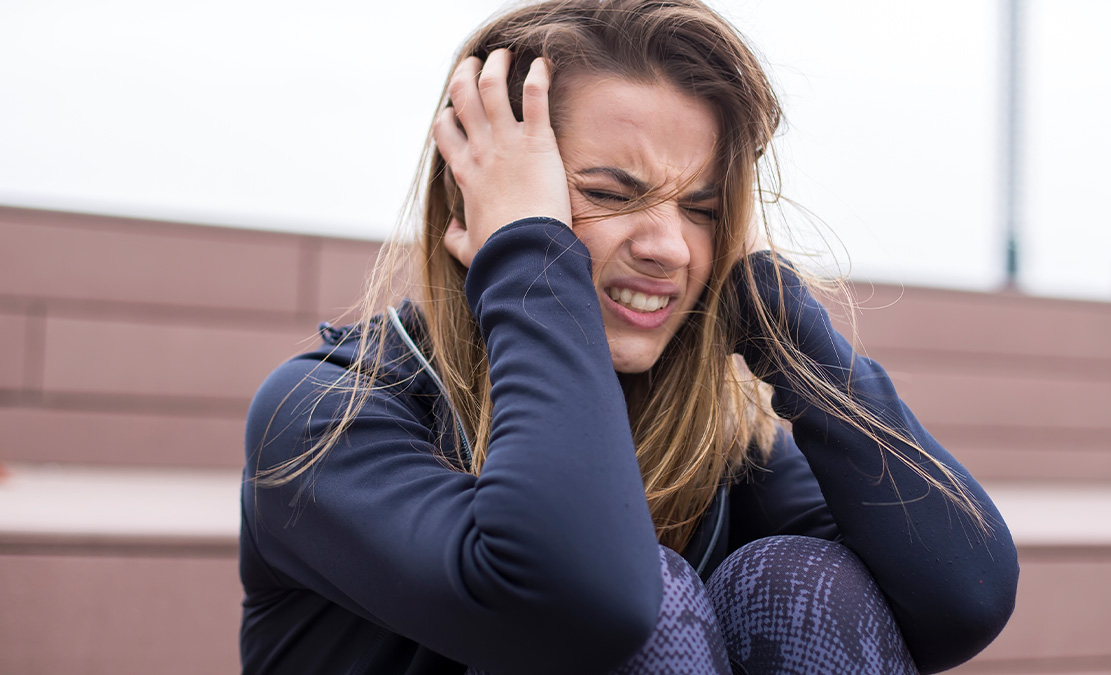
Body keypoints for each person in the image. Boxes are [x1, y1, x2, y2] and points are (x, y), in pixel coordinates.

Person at [238, 1, 1019, 673]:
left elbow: (962, 598)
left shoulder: (719, 443)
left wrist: (777, 318)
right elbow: (585, 598)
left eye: (703, 210)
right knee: (647, 604)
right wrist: (529, 259)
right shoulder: (324, 414)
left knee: (801, 579)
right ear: (480, 197)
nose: (670, 247)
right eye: (611, 193)